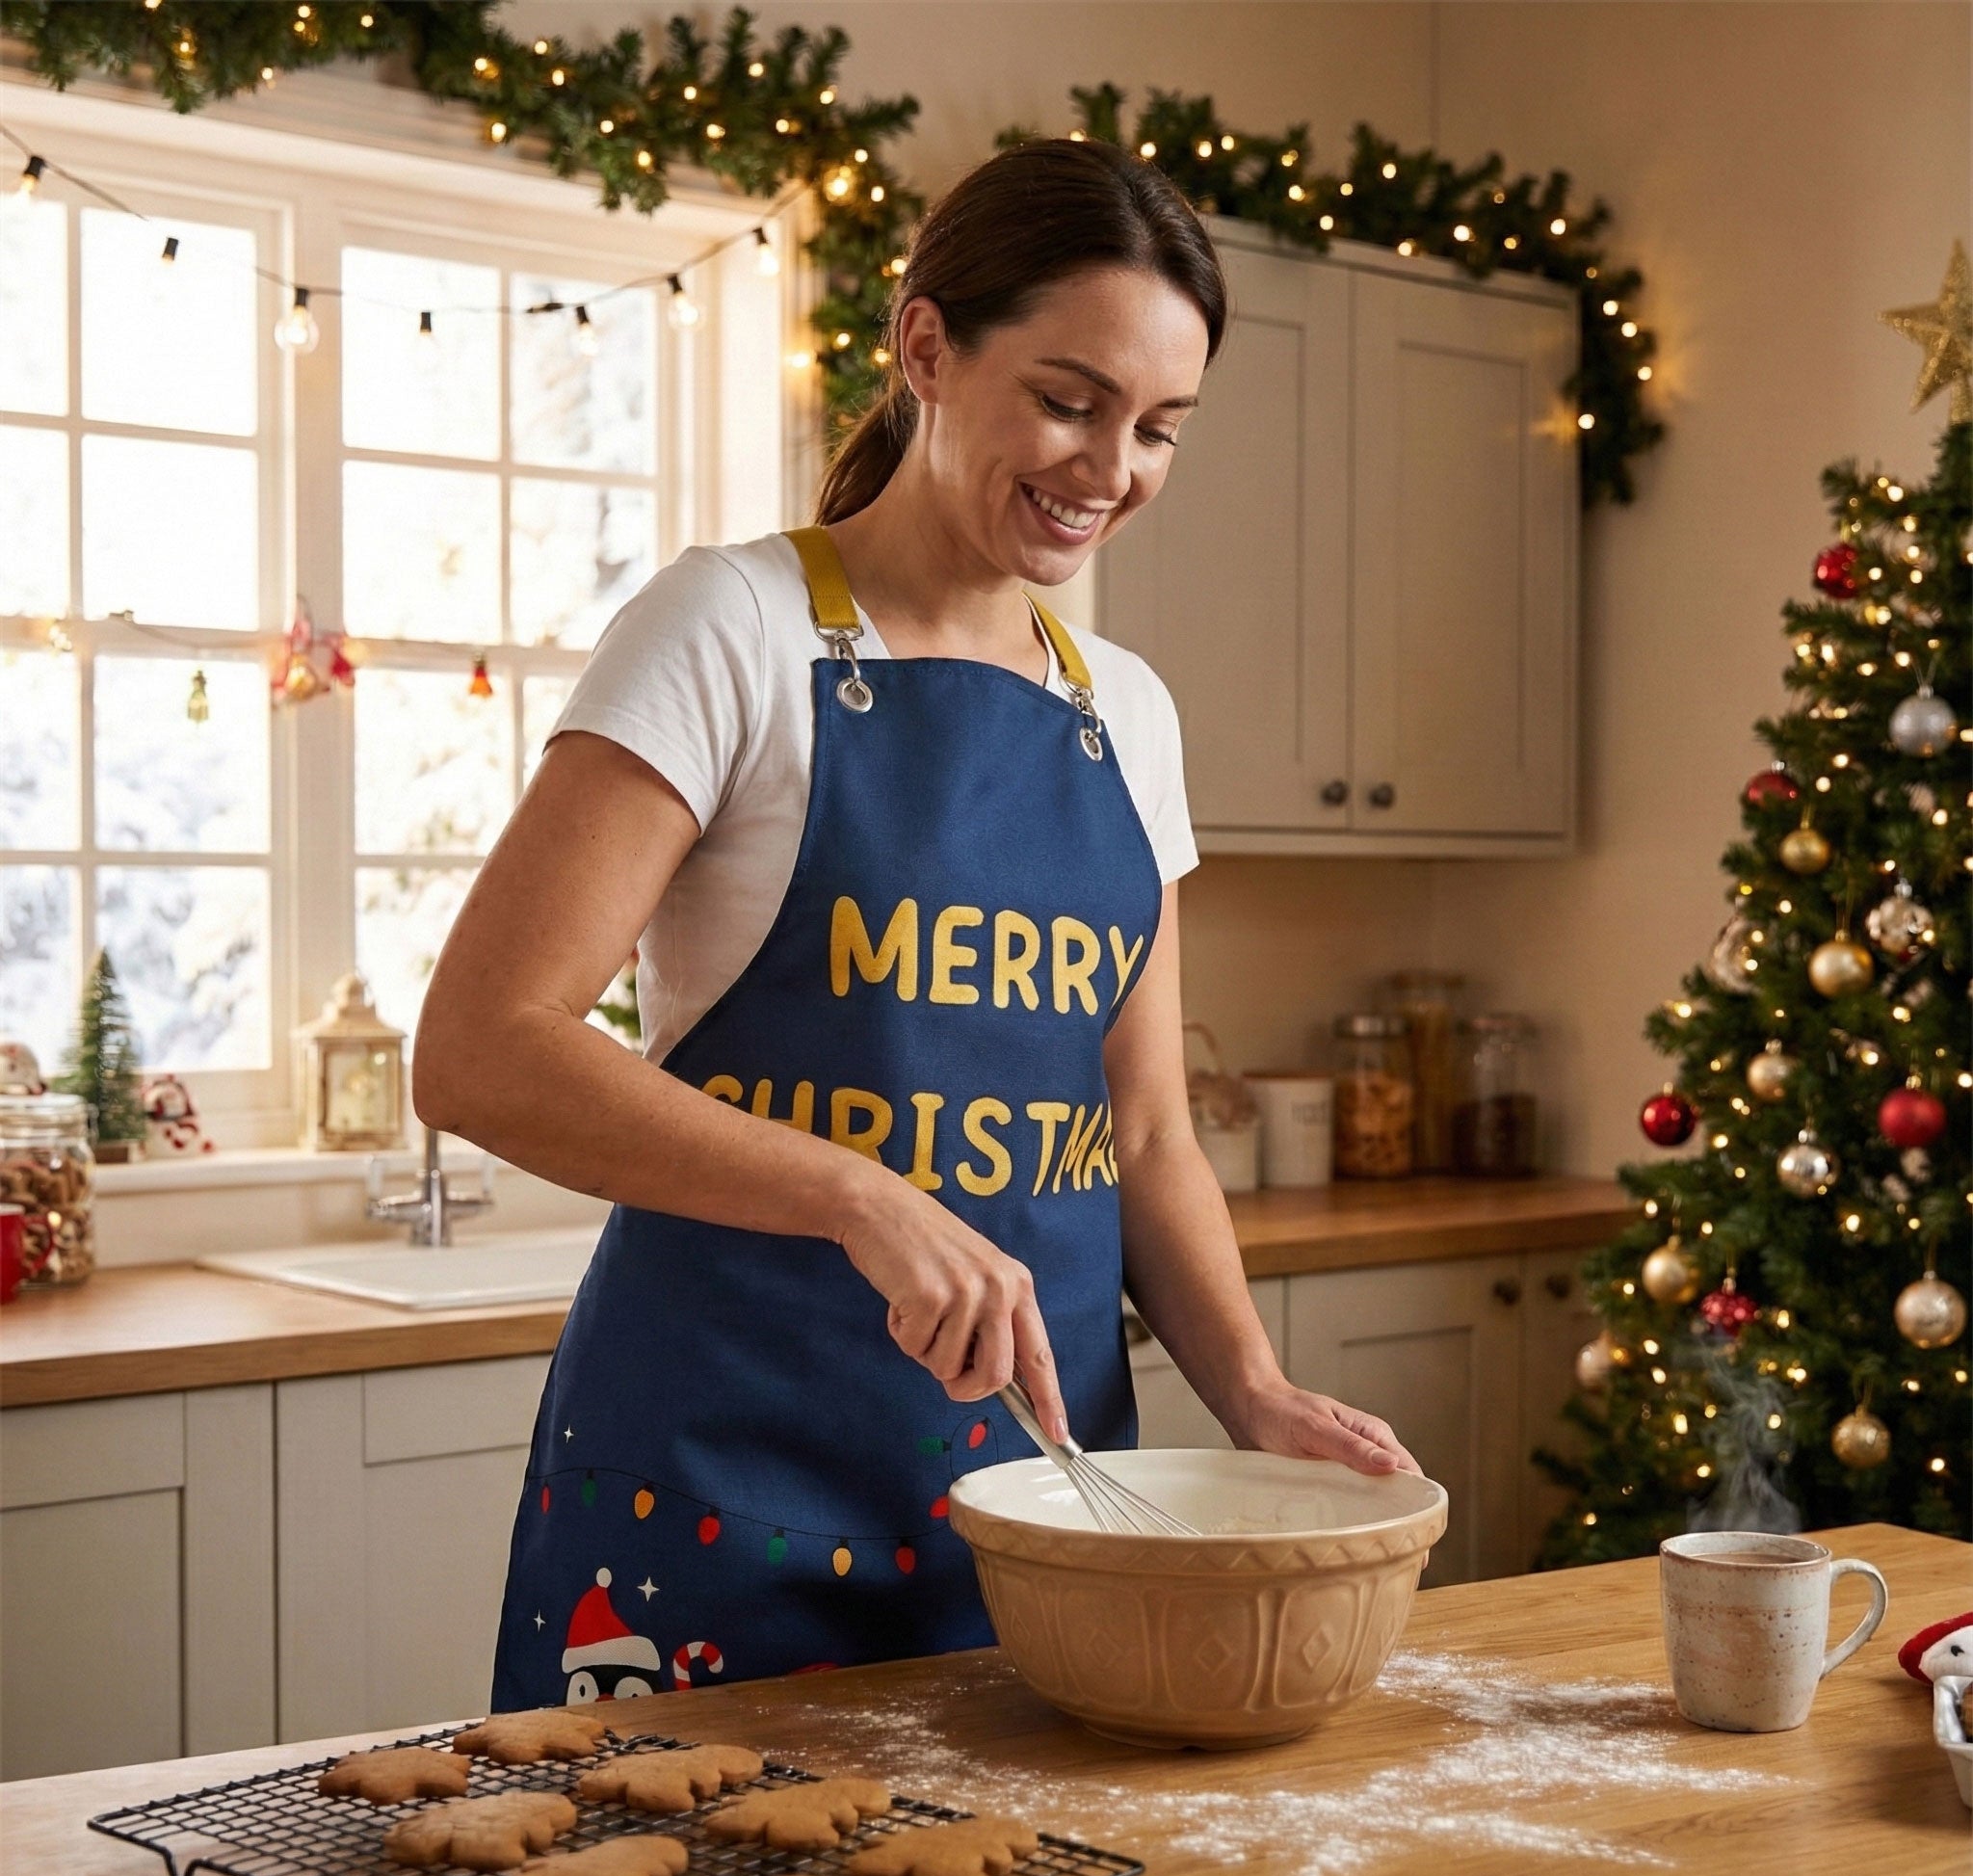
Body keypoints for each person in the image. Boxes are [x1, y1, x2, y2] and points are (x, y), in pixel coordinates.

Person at [414, 137, 1419, 1709]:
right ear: (927, 347)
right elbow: (481, 1050)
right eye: (1071, 400)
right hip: (717, 1489)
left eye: (1160, 428)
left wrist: (1253, 1389)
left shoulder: (1124, 713)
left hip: (1041, 1509)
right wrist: (857, 1197)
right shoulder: (731, 629)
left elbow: (1144, 1136)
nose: (1113, 469)